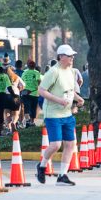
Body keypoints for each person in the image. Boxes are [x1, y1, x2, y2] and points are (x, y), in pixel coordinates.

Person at [36, 45, 84, 186]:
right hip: (53, 114)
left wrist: (78, 98)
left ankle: (62, 175)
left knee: (70, 144)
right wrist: (59, 100)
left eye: (72, 56)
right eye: (69, 56)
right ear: (61, 57)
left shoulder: (71, 72)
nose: (72, 58)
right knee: (56, 145)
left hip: (67, 113)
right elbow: (41, 91)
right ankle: (42, 166)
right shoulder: (53, 72)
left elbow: (70, 91)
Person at [20, 60, 42, 127]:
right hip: (34, 93)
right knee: (33, 107)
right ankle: (32, 122)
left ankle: (27, 121)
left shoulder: (24, 73)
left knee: (27, 107)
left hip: (26, 93)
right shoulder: (37, 72)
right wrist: (36, 87)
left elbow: (21, 82)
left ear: (28, 66)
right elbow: (39, 81)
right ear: (34, 66)